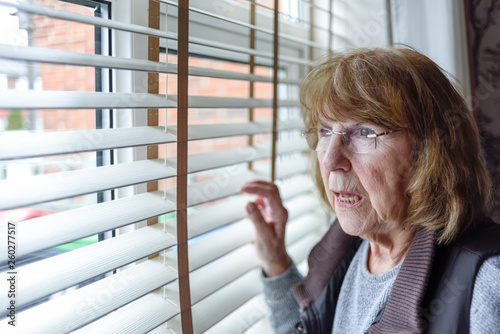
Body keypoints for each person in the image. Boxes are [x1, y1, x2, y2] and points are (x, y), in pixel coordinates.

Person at [240, 47, 500, 334]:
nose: (329, 160)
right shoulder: (343, 249)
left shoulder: (487, 283)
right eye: (325, 131)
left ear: (430, 151)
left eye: (364, 132)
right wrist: (276, 261)